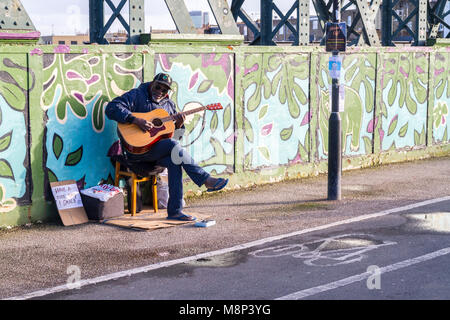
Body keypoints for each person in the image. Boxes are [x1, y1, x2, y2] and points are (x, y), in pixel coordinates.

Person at [105, 73, 228, 221]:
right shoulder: (137, 95)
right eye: (158, 87)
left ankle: (175, 211)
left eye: (165, 90)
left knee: (175, 160)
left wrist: (179, 126)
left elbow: (174, 138)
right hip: (136, 153)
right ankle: (205, 179)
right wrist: (135, 119)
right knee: (173, 147)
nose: (160, 92)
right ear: (152, 84)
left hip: (155, 153)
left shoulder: (169, 106)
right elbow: (111, 108)